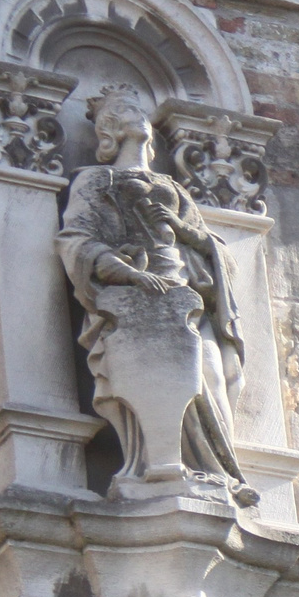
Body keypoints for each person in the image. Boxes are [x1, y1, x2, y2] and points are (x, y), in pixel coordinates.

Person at [55, 87, 254, 501]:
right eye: (126, 110)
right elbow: (77, 241)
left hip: (188, 299)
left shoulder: (172, 187)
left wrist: (183, 231)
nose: (139, 116)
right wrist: (128, 273)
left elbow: (220, 256)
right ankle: (155, 469)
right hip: (136, 300)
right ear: (109, 128)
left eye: (139, 108)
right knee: (152, 377)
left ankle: (216, 473)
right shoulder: (95, 180)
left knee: (212, 377)